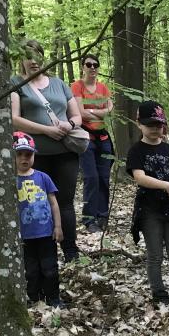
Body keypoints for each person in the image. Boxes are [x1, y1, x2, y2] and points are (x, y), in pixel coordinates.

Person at [10, 39, 83, 261]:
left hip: (66, 153)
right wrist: (46, 130)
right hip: (34, 156)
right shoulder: (16, 83)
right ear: (21, 60)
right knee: (37, 202)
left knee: (65, 202)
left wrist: (68, 125)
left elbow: (77, 116)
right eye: (28, 56)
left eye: (37, 56)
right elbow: (14, 119)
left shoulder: (59, 84)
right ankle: (43, 252)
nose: (33, 61)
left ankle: (70, 251)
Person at [127, 101, 169, 304]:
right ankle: (159, 294)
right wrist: (166, 185)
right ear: (139, 124)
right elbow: (139, 177)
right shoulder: (136, 150)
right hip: (149, 209)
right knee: (155, 255)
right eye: (150, 125)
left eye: (159, 125)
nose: (155, 129)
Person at [13, 132, 64, 308]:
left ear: (34, 155)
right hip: (24, 236)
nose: (24, 158)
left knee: (50, 268)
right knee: (31, 270)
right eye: (19, 154)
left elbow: (54, 203)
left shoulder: (43, 177)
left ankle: (53, 298)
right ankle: (35, 299)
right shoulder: (10, 181)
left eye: (28, 154)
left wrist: (58, 226)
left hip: (46, 233)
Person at [71, 53, 114, 234]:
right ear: (83, 67)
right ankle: (89, 219)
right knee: (91, 178)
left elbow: (110, 109)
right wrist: (99, 112)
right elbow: (80, 113)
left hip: (103, 138)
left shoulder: (103, 87)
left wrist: (92, 112)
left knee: (104, 178)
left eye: (95, 65)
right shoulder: (76, 86)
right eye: (88, 64)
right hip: (85, 138)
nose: (92, 68)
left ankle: (102, 216)